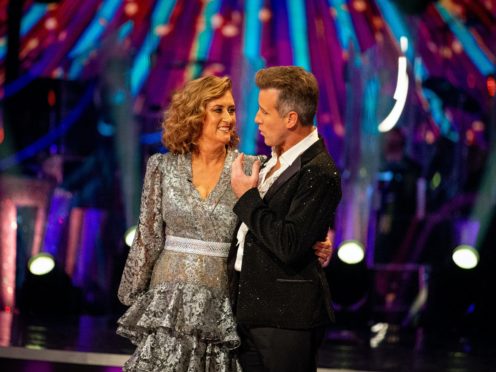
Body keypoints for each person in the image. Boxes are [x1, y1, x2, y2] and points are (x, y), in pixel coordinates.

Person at [116, 75, 331, 371]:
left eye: (231, 110)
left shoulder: (252, 167)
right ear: (194, 113)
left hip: (222, 303)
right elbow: (148, 237)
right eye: (218, 109)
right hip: (167, 301)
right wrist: (134, 296)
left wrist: (318, 241)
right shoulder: (161, 167)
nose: (229, 118)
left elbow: (284, 219)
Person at [228, 66, 342, 372]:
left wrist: (246, 198)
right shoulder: (269, 162)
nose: (256, 119)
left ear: (290, 118)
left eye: (264, 111)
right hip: (249, 311)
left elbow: (289, 244)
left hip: (284, 317)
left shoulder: (319, 171)